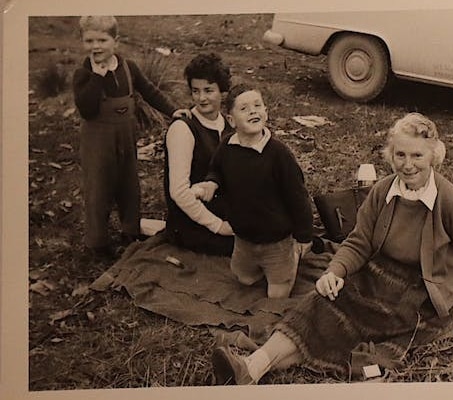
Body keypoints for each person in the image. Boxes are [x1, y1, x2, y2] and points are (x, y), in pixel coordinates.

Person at [211, 112, 453, 385]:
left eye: (417, 156)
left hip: (419, 291)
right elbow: (358, 242)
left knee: (345, 323)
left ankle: (257, 365)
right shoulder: (382, 191)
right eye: (400, 155)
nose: (408, 165)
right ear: (390, 155)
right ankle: (252, 368)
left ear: (434, 157)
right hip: (378, 273)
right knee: (322, 300)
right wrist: (334, 271)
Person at [73, 16, 189, 259]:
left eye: (102, 40)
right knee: (98, 189)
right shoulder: (83, 74)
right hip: (97, 142)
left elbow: (150, 92)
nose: (96, 46)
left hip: (125, 138)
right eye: (89, 40)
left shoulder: (129, 68)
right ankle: (98, 243)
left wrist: (172, 110)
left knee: (129, 185)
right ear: (82, 41)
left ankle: (130, 230)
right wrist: (97, 76)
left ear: (116, 41)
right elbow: (87, 109)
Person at [199, 84, 313, 298]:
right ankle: (255, 267)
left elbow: (298, 197)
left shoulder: (279, 154)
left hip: (276, 240)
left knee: (277, 295)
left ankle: (292, 258)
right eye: (244, 108)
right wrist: (211, 183)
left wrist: (305, 236)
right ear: (231, 121)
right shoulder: (227, 148)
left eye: (257, 105)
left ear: (266, 113)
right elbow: (216, 170)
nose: (253, 111)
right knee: (245, 280)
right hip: (243, 237)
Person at [163, 53, 235, 256]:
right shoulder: (183, 129)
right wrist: (218, 226)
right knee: (254, 249)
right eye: (196, 91)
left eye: (208, 90)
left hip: (225, 211)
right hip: (193, 223)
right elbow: (179, 192)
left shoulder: (229, 124)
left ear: (223, 92)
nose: (201, 98)